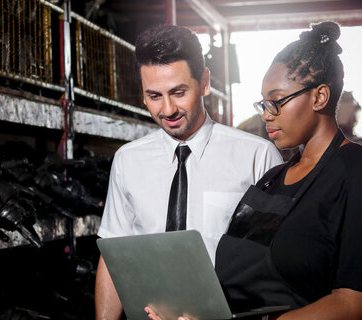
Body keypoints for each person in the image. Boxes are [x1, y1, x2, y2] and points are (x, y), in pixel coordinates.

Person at [213, 21, 362, 320]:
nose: (266, 114)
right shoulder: (270, 180)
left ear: (320, 97)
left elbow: (357, 303)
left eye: (276, 101)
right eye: (264, 103)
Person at [95, 24, 283, 320]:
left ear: (204, 82)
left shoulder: (257, 157)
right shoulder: (127, 162)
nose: (168, 109)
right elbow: (112, 252)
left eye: (178, 92)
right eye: (154, 96)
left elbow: (280, 261)